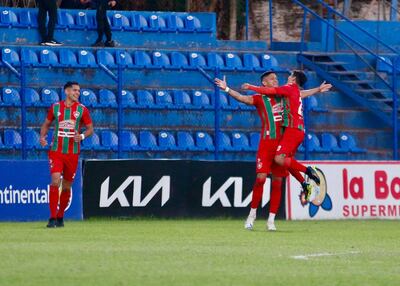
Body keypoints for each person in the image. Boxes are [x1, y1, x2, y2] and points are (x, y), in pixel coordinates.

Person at [215, 72, 331, 231]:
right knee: (261, 178)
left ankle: (271, 220)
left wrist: (317, 89)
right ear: (264, 83)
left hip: (281, 143)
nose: (275, 80)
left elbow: (300, 93)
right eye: (272, 79)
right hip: (266, 144)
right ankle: (252, 215)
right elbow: (243, 98)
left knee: (277, 182)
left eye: (276, 78)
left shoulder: (284, 95)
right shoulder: (259, 98)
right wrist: (227, 88)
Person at [242, 70, 325, 206]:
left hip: (292, 130)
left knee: (279, 159)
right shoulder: (294, 91)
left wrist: (251, 87)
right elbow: (302, 94)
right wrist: (318, 89)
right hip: (297, 131)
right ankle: (304, 184)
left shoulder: (288, 88)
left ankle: (309, 172)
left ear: (293, 80)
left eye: (290, 76)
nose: (286, 78)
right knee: (285, 160)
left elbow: (269, 91)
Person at [40, 81, 94, 228]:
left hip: (72, 153)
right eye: (75, 90)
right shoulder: (56, 107)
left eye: (79, 91)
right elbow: (46, 123)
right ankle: (52, 218)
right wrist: (42, 137)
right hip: (56, 151)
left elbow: (90, 129)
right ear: (67, 91)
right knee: (55, 180)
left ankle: (60, 216)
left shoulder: (82, 110)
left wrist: (82, 136)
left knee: (67, 186)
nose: (78, 93)